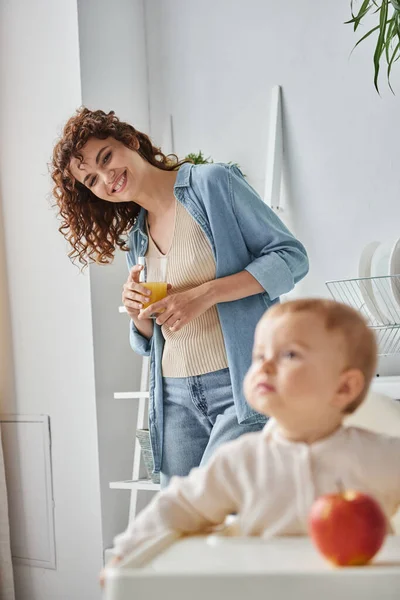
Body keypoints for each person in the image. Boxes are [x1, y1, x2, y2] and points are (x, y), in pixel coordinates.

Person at [50, 107, 309, 488]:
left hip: (238, 386)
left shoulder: (211, 185)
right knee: (184, 525)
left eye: (106, 158)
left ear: (131, 141)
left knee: (227, 511)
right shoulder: (137, 239)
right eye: (92, 180)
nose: (107, 178)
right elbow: (151, 339)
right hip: (174, 400)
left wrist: (205, 295)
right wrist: (138, 315)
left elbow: (291, 257)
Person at [107, 298, 400, 564]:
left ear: (345, 387)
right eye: (259, 356)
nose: (265, 366)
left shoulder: (382, 457)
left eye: (290, 355)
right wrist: (127, 552)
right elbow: (178, 505)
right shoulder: (241, 461)